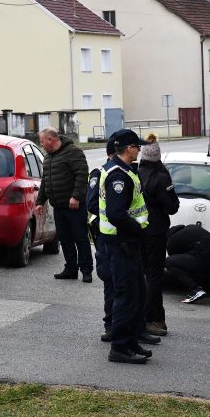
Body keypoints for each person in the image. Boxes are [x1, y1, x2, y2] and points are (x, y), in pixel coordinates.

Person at [99, 129, 153, 364]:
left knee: (137, 294)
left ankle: (130, 341)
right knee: (126, 296)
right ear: (128, 148)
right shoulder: (118, 176)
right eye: (136, 146)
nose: (139, 149)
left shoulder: (126, 172)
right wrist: (139, 230)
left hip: (127, 243)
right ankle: (119, 347)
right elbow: (115, 214)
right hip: (121, 244)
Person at [35, 127, 93, 282]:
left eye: (42, 142)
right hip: (58, 206)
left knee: (80, 238)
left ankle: (86, 270)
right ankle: (71, 269)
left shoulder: (73, 152)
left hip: (74, 206)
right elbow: (45, 181)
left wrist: (76, 196)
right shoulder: (48, 157)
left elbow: (82, 174)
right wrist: (40, 201)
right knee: (65, 239)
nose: (41, 145)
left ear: (50, 140)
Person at [138, 133, 180, 336]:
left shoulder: (135, 174)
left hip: (138, 230)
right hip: (155, 231)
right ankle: (154, 319)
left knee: (142, 273)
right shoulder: (161, 177)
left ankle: (142, 316)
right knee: (154, 275)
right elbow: (173, 207)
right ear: (158, 157)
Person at [87, 133, 117, 342]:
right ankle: (110, 324)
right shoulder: (99, 174)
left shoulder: (128, 172)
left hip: (125, 238)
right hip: (105, 235)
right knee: (110, 282)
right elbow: (91, 205)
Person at [165, 224, 210, 305]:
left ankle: (195, 290)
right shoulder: (191, 227)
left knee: (169, 262)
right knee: (203, 260)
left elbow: (181, 263)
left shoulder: (171, 242)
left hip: (206, 258)